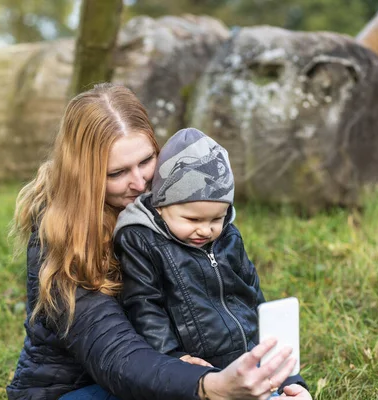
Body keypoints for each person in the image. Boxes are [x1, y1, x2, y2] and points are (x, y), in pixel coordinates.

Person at [6, 83, 303, 400]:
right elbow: (114, 353)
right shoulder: (60, 233)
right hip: (78, 388)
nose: (139, 182)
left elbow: (237, 306)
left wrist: (287, 385)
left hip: (164, 374)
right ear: (85, 175)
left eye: (147, 160)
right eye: (117, 172)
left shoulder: (177, 214)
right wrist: (206, 385)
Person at [113, 128, 313, 399]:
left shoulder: (228, 237)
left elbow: (252, 297)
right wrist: (173, 359)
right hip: (197, 371)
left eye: (216, 218)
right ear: (160, 207)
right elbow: (144, 307)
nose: (206, 230)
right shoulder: (142, 242)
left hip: (248, 362)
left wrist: (290, 377)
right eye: (193, 220)